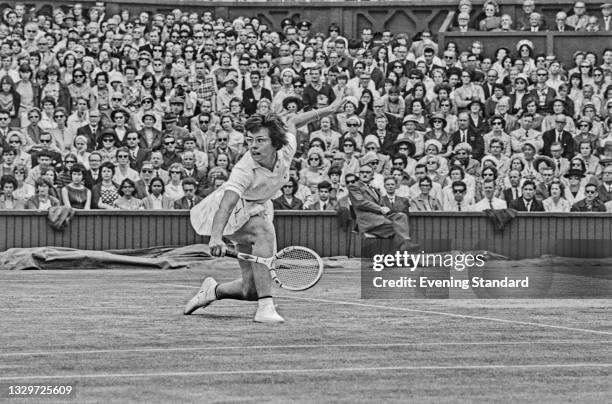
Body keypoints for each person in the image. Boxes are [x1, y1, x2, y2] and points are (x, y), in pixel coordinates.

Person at [185, 96, 345, 323]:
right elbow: (226, 205)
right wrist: (216, 237)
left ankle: (213, 291)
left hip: (257, 207)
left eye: (260, 140)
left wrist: (328, 109)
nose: (253, 146)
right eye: (250, 140)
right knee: (263, 230)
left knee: (250, 289)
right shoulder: (244, 169)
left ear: (275, 143)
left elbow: (293, 121)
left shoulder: (286, 148)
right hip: (227, 214)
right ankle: (265, 308)